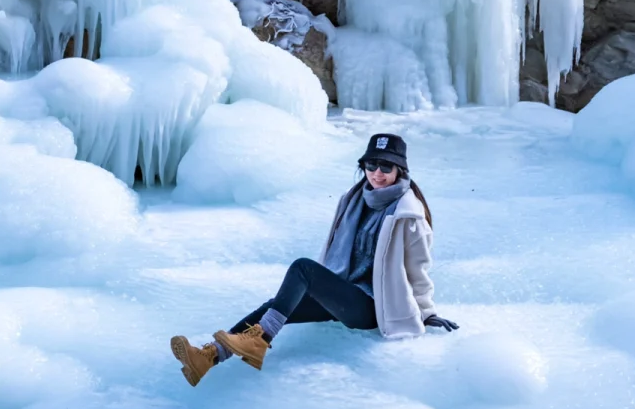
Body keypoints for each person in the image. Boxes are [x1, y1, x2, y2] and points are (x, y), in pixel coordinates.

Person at [170, 132, 459, 386]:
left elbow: (417, 270)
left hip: (372, 306)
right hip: (343, 293)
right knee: (275, 305)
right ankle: (207, 357)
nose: (377, 173)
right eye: (371, 164)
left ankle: (260, 340)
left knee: (303, 269)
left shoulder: (409, 215)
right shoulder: (354, 198)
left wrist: (426, 312)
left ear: (400, 170)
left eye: (386, 166)